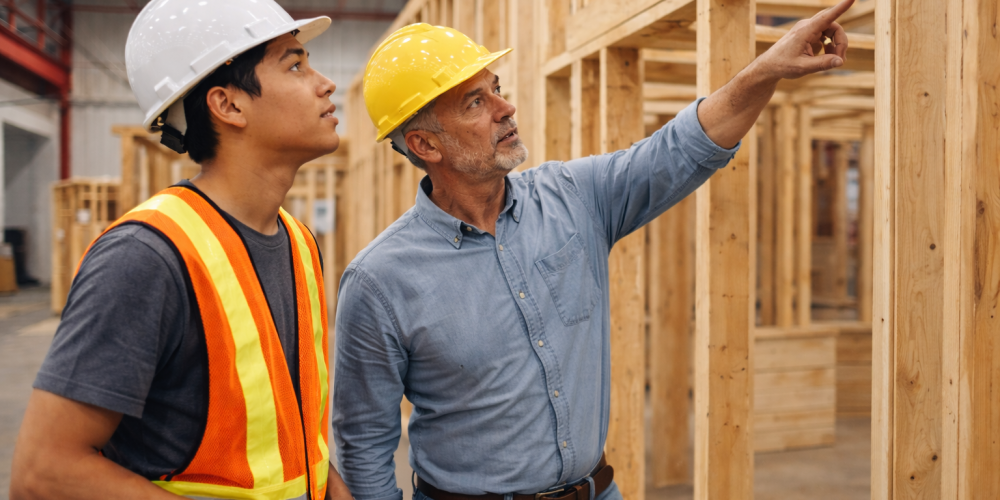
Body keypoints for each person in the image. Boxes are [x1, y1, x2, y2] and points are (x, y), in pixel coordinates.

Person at [332, 1, 855, 500]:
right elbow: (364, 447)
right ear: (426, 146)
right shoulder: (380, 280)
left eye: (495, 89)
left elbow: (682, 148)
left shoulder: (573, 197)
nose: (505, 107)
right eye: (476, 102)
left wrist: (766, 70)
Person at [10, 0, 350, 499]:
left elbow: (287, 445)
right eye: (295, 64)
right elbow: (44, 473)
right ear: (228, 105)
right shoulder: (146, 257)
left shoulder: (299, 243)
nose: (326, 83)